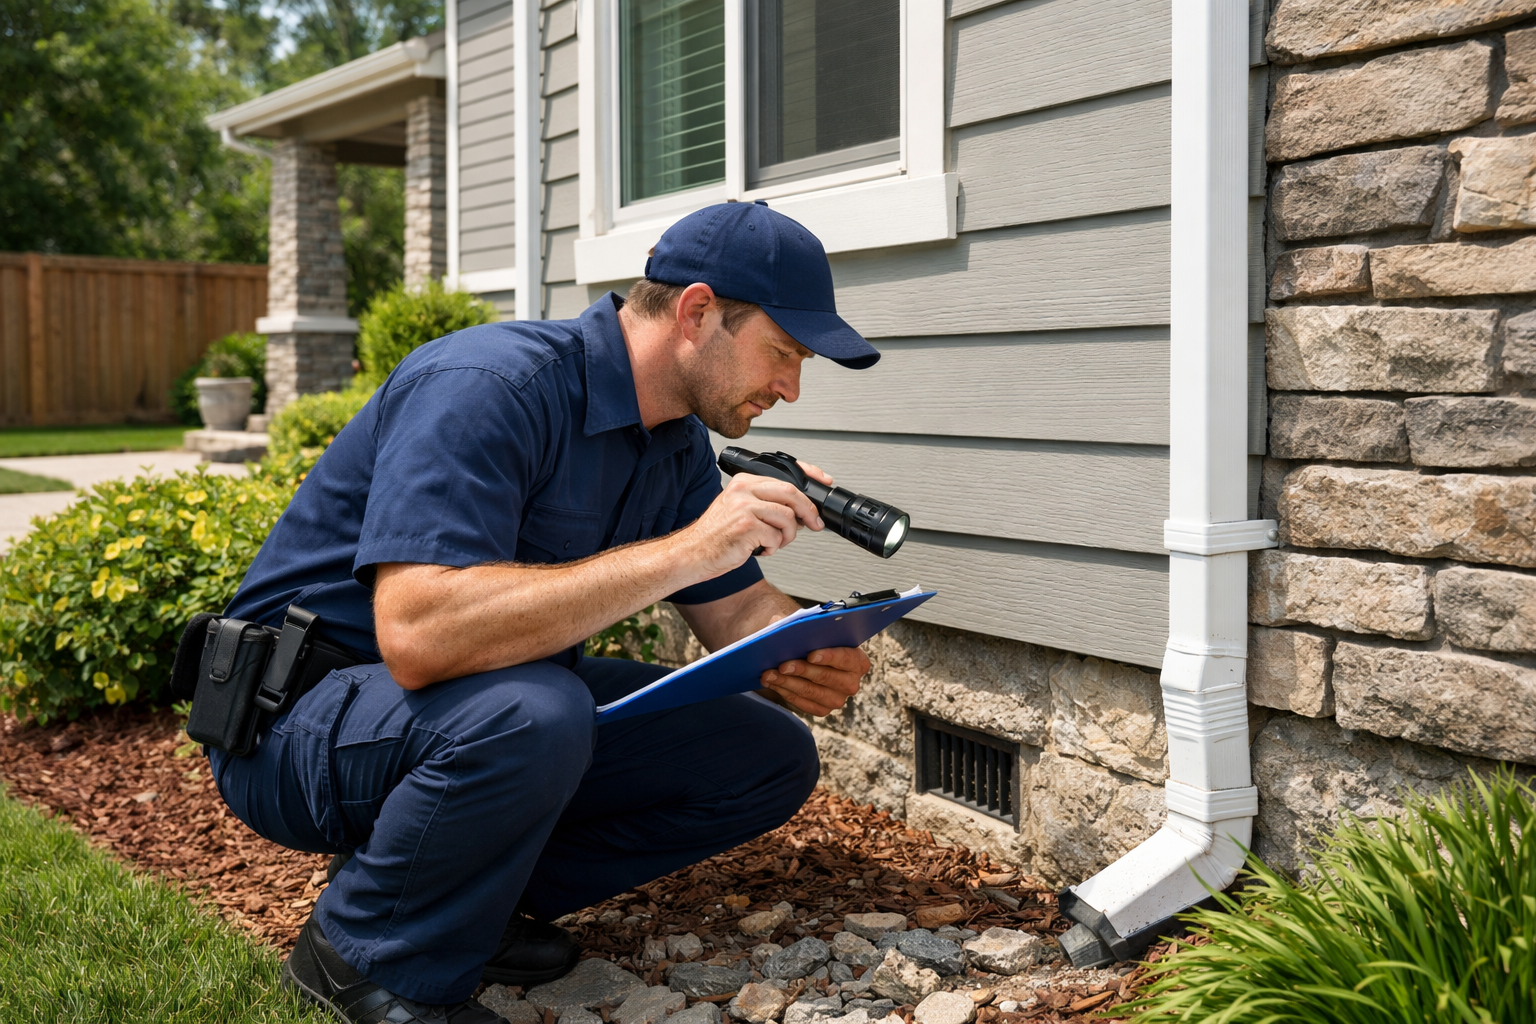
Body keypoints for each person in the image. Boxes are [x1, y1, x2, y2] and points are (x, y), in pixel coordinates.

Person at [210, 201, 883, 1023]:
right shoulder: (487, 386)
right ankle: (359, 958)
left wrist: (803, 648)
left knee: (765, 753)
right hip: (296, 722)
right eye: (783, 352)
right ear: (698, 312)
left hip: (465, 713)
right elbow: (419, 636)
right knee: (536, 712)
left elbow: (739, 607)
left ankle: (459, 906)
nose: (791, 387)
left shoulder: (673, 442)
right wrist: (689, 548)